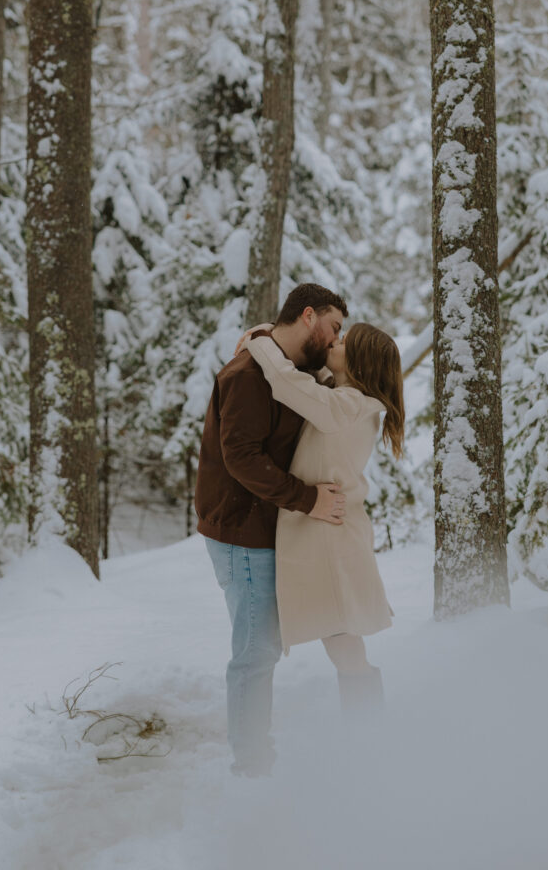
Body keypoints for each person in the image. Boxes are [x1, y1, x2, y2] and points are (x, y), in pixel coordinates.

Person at [195, 283, 349, 777]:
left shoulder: (287, 370)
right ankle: (251, 767)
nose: (334, 340)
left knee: (261, 647)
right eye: (334, 328)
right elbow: (242, 457)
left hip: (261, 527)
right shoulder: (247, 375)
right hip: (242, 531)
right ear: (308, 316)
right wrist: (309, 500)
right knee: (256, 652)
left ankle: (253, 759)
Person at [242, 321, 405, 714]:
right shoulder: (344, 398)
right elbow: (308, 382)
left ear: (361, 362)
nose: (336, 340)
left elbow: (287, 384)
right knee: (340, 638)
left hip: (331, 538)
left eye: (345, 341)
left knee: (342, 639)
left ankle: (366, 727)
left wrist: (259, 341)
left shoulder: (349, 407)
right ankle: (365, 724)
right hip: (330, 531)